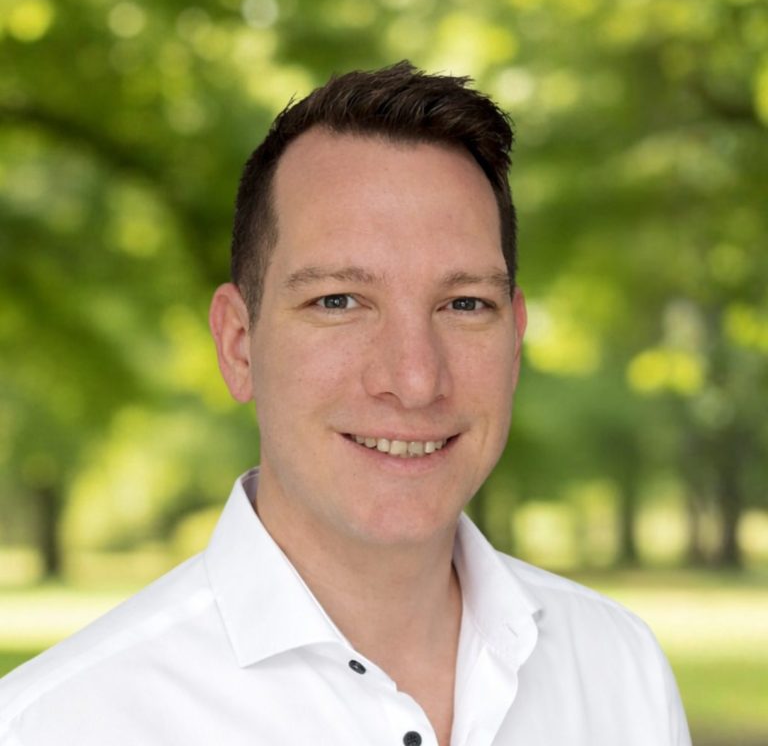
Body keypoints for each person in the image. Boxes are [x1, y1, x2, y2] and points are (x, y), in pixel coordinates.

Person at [0, 62, 691, 746]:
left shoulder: (619, 672)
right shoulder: (59, 724)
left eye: (464, 304)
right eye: (338, 301)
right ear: (239, 345)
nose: (415, 379)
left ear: (515, 341)